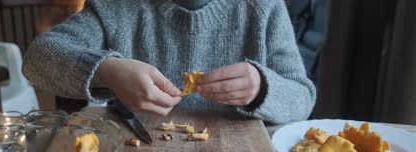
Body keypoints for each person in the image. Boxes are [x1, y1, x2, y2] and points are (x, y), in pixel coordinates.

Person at [22, 0, 316, 124]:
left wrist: (262, 88)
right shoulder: (115, 6)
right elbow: (38, 59)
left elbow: (302, 98)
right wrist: (107, 71)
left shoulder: (264, 8)